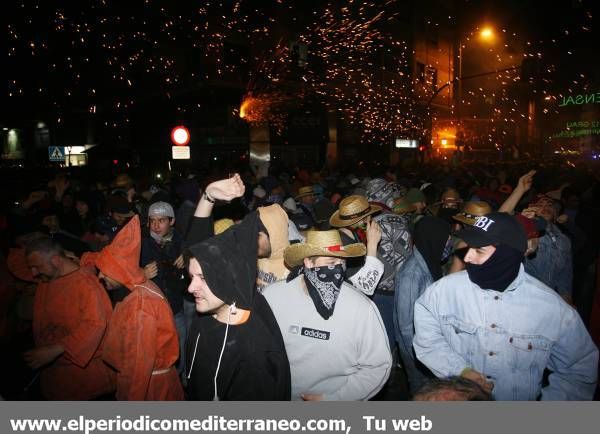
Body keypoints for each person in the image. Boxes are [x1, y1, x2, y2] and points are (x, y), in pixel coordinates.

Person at [413, 212, 598, 400]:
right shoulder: (443, 291)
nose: (467, 257)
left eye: (479, 250)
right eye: (469, 248)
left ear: (505, 255)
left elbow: (580, 371)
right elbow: (427, 340)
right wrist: (461, 371)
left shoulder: (554, 310)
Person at [263, 230, 392, 400]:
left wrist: (335, 400)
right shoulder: (272, 296)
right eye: (331, 261)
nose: (338, 268)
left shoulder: (361, 308)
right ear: (308, 262)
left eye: (341, 261)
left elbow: (378, 366)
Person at [185, 211, 291, 400]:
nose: (191, 287)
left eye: (203, 278)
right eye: (192, 277)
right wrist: (208, 197)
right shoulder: (209, 313)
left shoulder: (253, 356)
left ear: (228, 280)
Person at [82, 216, 184, 400]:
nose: (101, 277)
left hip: (152, 391)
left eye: (106, 271)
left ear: (119, 271)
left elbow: (138, 367)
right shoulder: (141, 286)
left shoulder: (140, 306)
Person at [24, 237, 114, 400]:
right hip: (58, 380)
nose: (33, 273)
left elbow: (96, 325)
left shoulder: (87, 285)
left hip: (87, 384)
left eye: (37, 267)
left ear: (56, 261)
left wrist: (57, 349)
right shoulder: (47, 279)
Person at [393, 216, 451, 394]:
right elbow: (406, 326)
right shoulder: (412, 275)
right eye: (446, 238)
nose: (449, 242)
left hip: (428, 347)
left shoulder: (429, 260)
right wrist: (423, 358)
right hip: (419, 354)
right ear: (434, 237)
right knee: (424, 393)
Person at [140, 201, 187, 376]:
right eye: (152, 221)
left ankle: (179, 382)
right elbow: (124, 274)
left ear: (172, 221)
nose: (156, 226)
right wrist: (142, 273)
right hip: (151, 312)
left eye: (161, 220)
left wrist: (189, 256)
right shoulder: (142, 244)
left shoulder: (182, 242)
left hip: (176, 309)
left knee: (180, 348)